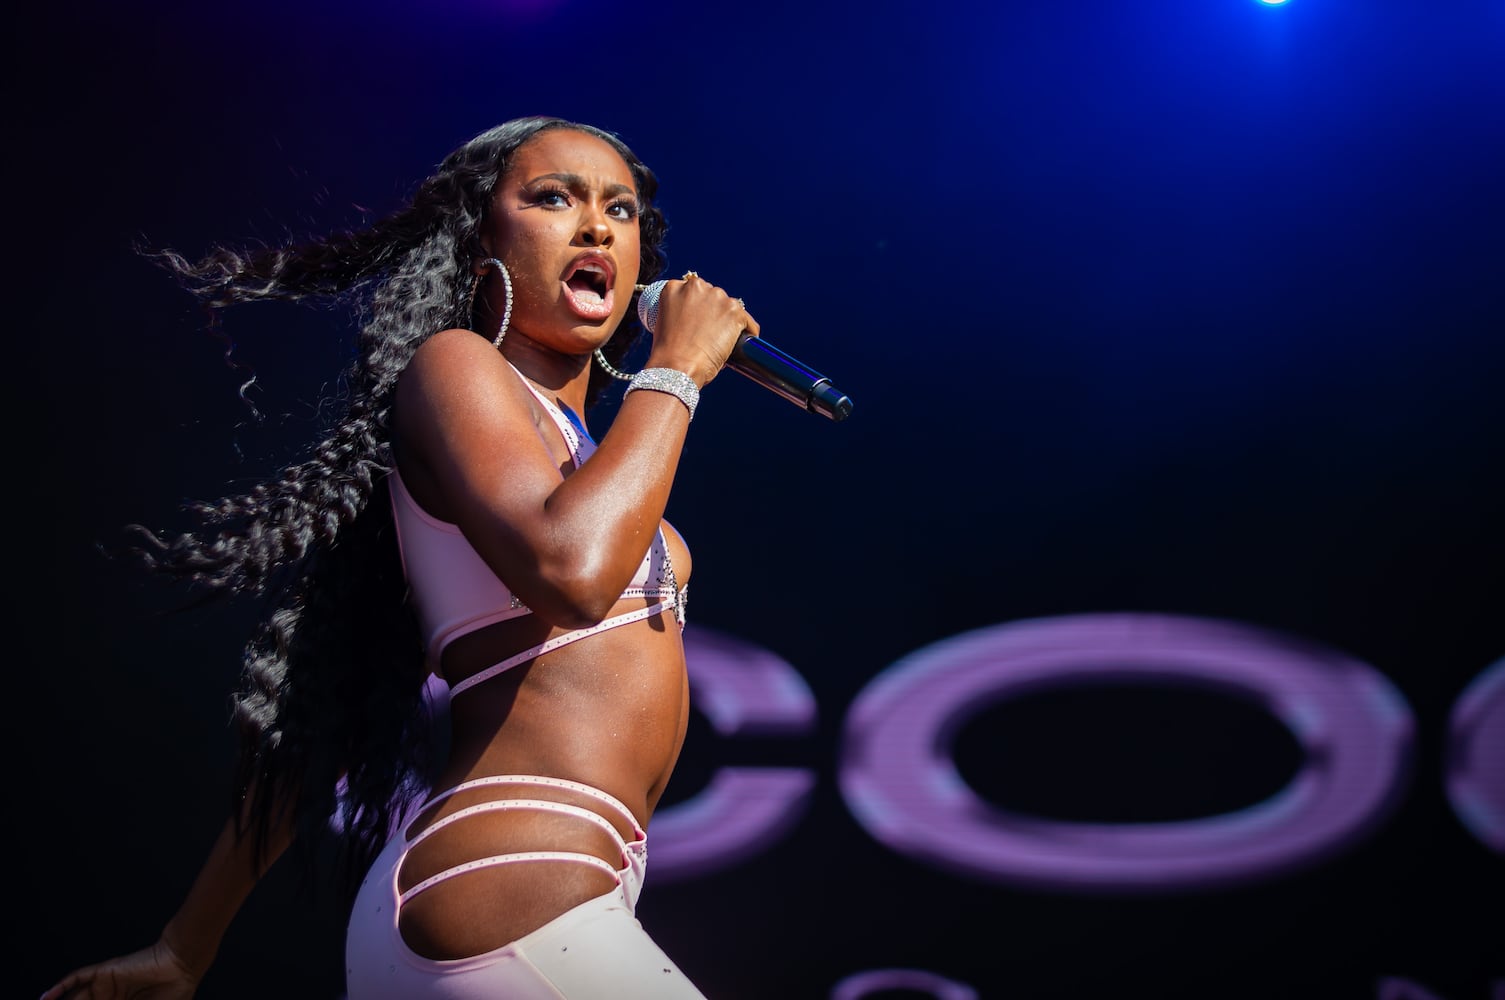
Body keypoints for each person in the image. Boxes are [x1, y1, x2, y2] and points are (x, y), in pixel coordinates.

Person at [42, 115, 756, 999]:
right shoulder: (457, 368)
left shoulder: (567, 456)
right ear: (479, 241)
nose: (597, 228)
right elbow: (571, 573)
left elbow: (331, 711)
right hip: (516, 893)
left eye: (620, 209)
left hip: (524, 899)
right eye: (552, 198)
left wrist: (185, 950)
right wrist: (675, 369)